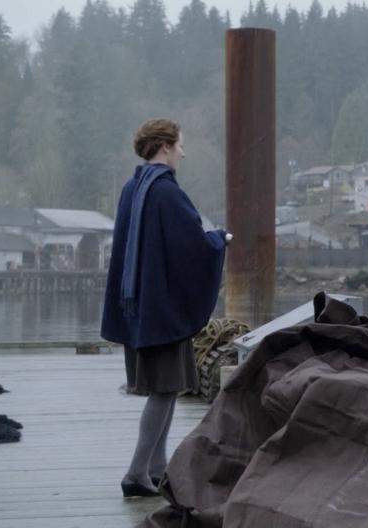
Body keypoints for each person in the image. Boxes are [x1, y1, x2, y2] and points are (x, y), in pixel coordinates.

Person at [101, 118, 229, 498]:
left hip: (139, 311)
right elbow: (191, 246)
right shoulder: (165, 192)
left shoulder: (132, 188)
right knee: (164, 390)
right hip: (163, 312)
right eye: (180, 146)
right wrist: (220, 240)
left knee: (168, 388)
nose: (183, 153)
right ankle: (136, 472)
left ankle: (156, 469)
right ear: (164, 147)